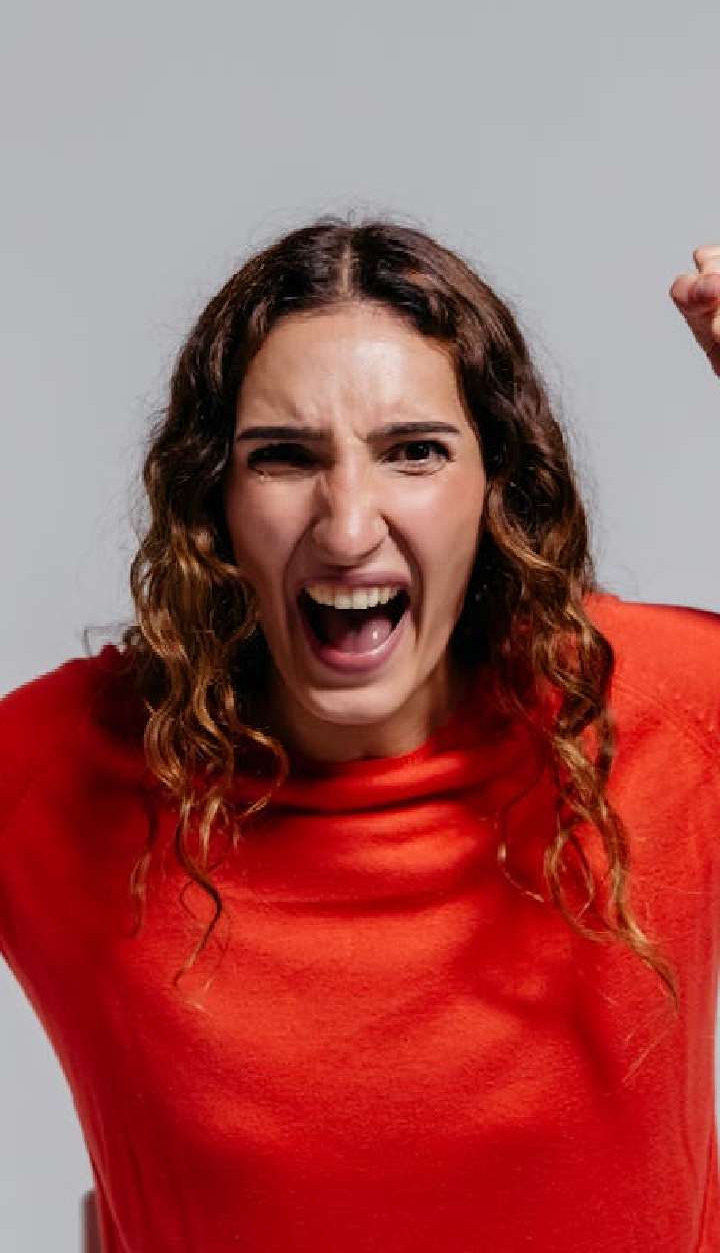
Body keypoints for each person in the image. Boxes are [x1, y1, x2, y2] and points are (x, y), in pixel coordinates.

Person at [1, 219, 719, 1253]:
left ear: (496, 485)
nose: (346, 528)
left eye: (414, 453)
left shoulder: (664, 713)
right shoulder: (59, 773)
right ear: (214, 498)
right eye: (283, 457)